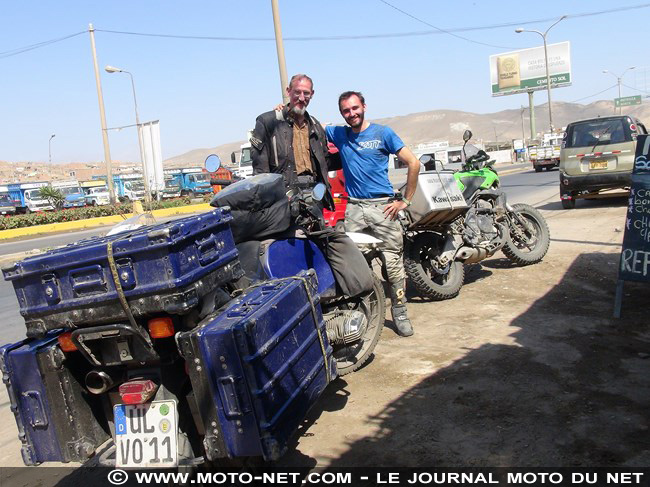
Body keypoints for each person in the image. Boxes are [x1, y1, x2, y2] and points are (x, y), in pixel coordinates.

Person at [250, 74, 373, 299]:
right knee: (287, 252)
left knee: (320, 247)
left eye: (306, 93)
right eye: (297, 92)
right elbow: (259, 171)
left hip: (312, 198)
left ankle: (335, 296)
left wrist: (359, 155)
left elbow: (324, 160)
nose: (301, 97)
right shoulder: (268, 122)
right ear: (289, 91)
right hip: (283, 199)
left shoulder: (315, 125)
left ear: (312, 95)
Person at [326, 91, 420, 337]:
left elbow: (414, 163)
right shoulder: (340, 134)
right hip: (354, 209)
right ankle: (362, 312)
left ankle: (400, 313)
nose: (352, 114)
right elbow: (310, 125)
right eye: (346, 110)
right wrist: (284, 110)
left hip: (383, 209)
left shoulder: (383, 133)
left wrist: (405, 201)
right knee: (352, 263)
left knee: (393, 264)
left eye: (355, 108)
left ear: (364, 107)